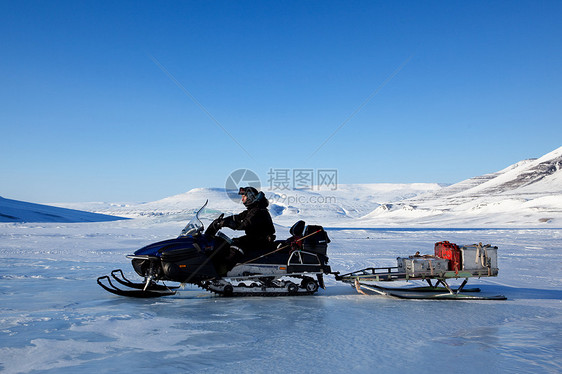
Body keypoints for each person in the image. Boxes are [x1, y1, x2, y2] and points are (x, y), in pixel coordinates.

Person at [220, 186, 276, 256]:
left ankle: (228, 265)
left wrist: (227, 223)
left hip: (261, 240)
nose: (242, 199)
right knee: (231, 242)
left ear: (250, 197)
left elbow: (244, 225)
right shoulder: (253, 209)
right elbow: (238, 217)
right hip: (256, 238)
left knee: (235, 245)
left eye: (244, 197)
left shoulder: (257, 211)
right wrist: (223, 220)